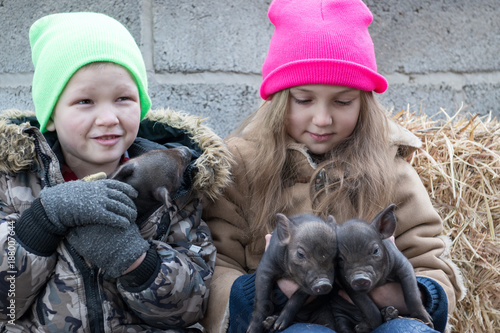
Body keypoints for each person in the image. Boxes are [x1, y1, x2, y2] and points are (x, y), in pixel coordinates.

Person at [200, 0, 466, 332]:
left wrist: (406, 294)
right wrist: (272, 294)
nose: (323, 119)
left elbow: (431, 263)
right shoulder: (241, 166)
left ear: (364, 102)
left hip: (375, 319)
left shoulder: (390, 169)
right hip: (285, 321)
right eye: (303, 100)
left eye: (343, 101)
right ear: (278, 98)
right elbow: (217, 263)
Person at [0, 12, 232, 332]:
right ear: (51, 115)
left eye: (123, 98)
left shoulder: (174, 185)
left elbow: (192, 309)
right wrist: (42, 220)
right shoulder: (13, 183)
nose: (108, 117)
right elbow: (5, 304)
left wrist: (135, 261)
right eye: (85, 101)